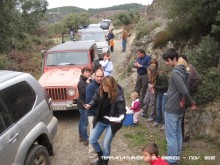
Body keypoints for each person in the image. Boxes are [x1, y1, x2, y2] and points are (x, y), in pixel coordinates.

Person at [162, 48, 196, 165]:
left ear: (175, 59)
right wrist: (185, 102)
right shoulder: (185, 72)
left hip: (172, 109)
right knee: (177, 134)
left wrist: (190, 103)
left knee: (171, 136)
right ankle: (176, 157)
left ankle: (172, 160)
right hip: (179, 108)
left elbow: (184, 91)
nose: (166, 63)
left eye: (168, 60)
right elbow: (184, 90)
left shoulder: (175, 73)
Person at [85, 76, 126, 165]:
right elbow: (94, 99)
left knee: (105, 144)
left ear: (111, 86)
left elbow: (122, 112)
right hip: (100, 120)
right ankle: (101, 157)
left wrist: (120, 119)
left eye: (106, 86)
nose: (104, 88)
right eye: (102, 86)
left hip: (112, 123)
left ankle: (105, 162)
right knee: (92, 140)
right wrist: (90, 105)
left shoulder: (118, 95)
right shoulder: (100, 90)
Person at [178, 55, 202, 142]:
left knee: (186, 117)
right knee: (183, 116)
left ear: (185, 61)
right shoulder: (182, 69)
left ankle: (185, 136)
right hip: (183, 96)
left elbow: (198, 79)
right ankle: (182, 135)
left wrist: (190, 90)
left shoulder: (190, 68)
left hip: (188, 96)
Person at [86, 68, 104, 165]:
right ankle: (93, 159)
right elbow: (89, 102)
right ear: (94, 76)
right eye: (97, 76)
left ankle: (98, 156)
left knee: (97, 137)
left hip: (101, 115)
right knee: (93, 138)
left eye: (101, 76)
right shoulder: (91, 87)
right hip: (93, 115)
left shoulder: (104, 85)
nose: (99, 78)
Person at [77, 67, 92, 146]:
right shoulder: (81, 82)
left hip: (84, 104)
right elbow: (84, 92)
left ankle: (81, 135)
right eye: (86, 72)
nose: (88, 73)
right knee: (84, 122)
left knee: (81, 120)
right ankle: (85, 138)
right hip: (83, 105)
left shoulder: (88, 80)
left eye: (89, 72)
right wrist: (88, 84)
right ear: (83, 73)